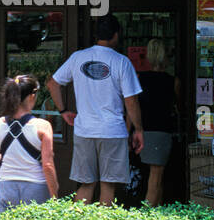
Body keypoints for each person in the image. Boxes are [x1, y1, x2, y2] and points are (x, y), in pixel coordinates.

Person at [47, 14, 144, 206]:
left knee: (86, 184)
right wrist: (138, 129)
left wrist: (63, 110)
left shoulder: (78, 57)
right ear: (116, 34)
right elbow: (131, 101)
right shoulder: (122, 62)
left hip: (84, 130)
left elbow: (52, 83)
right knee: (108, 186)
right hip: (112, 131)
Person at [0, 74, 58, 210]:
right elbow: (47, 165)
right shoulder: (43, 126)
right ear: (32, 96)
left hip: (7, 185)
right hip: (36, 186)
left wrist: (6, 156)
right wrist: (55, 196)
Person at [137, 38, 181, 207]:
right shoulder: (173, 82)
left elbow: (133, 105)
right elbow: (178, 106)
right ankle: (148, 219)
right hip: (162, 131)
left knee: (156, 176)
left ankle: (158, 213)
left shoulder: (140, 79)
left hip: (144, 131)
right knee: (156, 177)